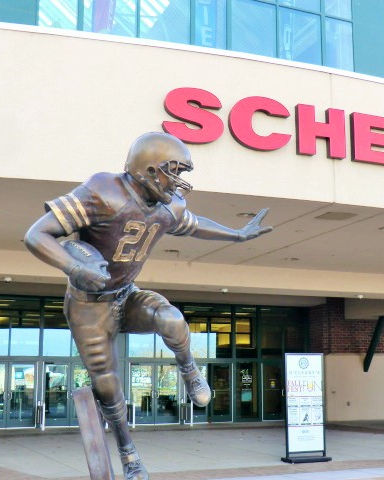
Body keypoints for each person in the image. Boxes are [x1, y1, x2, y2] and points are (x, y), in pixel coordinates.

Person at [24, 132, 272, 480]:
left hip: (125, 293)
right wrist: (75, 268)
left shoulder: (168, 207)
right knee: (107, 383)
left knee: (171, 319)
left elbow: (195, 225)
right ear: (151, 170)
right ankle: (128, 453)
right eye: (174, 171)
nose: (178, 181)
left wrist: (238, 234)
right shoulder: (104, 190)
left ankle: (189, 370)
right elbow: (36, 234)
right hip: (88, 305)